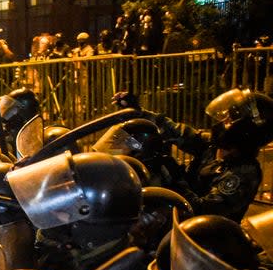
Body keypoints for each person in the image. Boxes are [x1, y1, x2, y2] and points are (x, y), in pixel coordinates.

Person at [114, 88, 273, 221]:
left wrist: (174, 179)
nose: (222, 121)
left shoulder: (243, 174)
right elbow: (174, 131)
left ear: (245, 132)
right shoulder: (212, 146)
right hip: (173, 214)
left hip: (197, 238)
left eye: (230, 120)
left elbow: (202, 211)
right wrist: (139, 113)